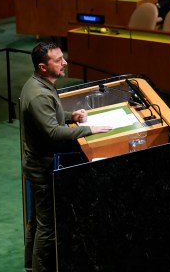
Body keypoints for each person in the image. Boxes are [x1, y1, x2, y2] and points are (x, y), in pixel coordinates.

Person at [20, 42, 112, 272]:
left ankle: (31, 265)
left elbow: (51, 117)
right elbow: (53, 132)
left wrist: (73, 116)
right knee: (47, 226)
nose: (65, 62)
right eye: (58, 60)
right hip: (41, 166)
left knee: (38, 221)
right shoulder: (38, 94)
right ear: (43, 67)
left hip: (38, 162)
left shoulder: (40, 84)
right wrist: (89, 129)